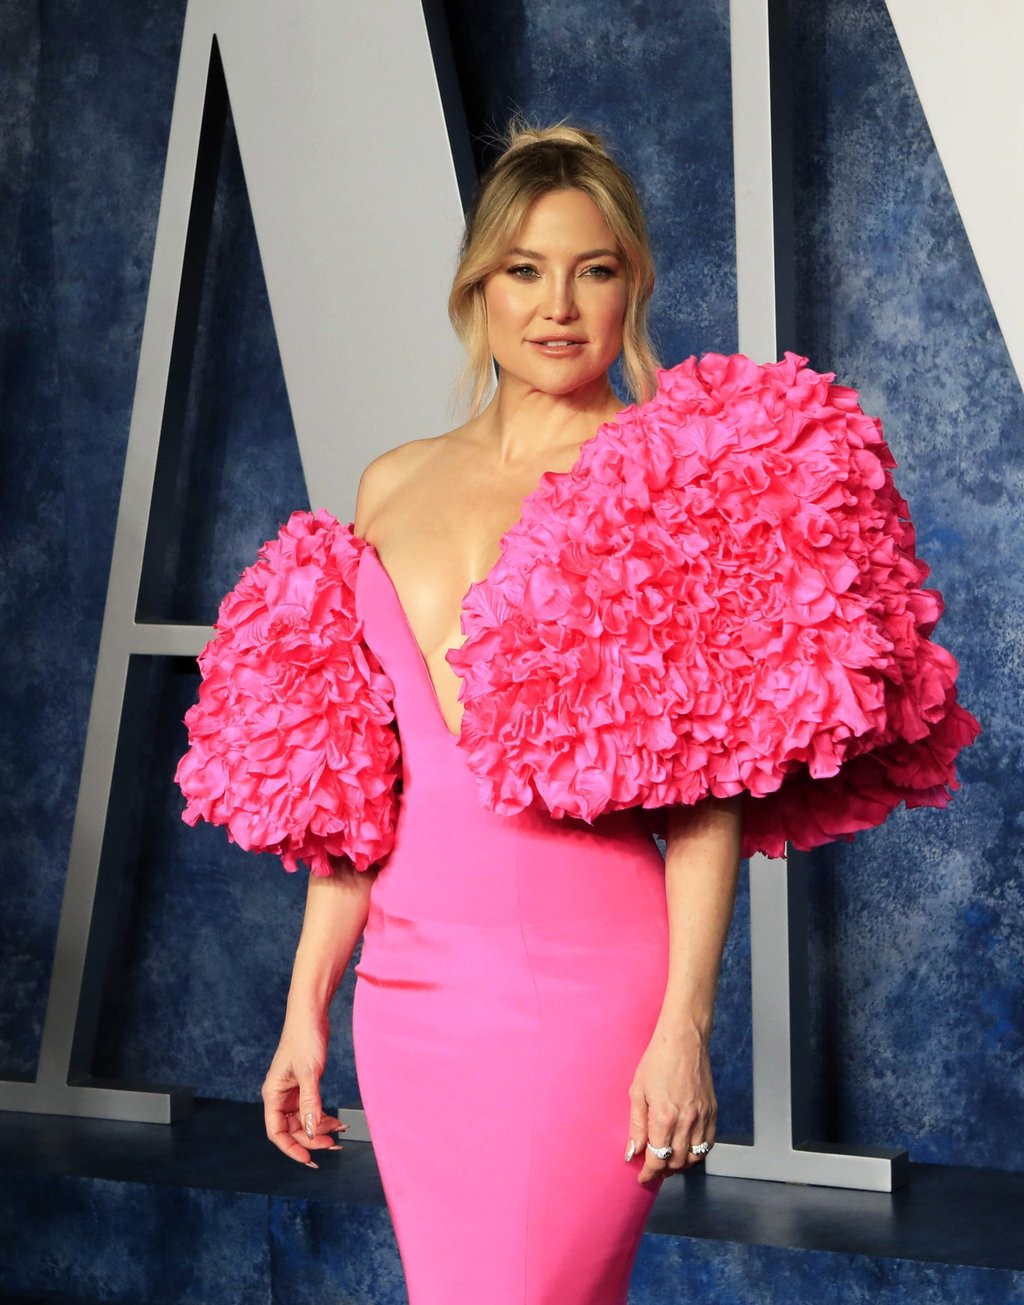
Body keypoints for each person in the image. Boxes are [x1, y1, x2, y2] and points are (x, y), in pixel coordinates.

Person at [175, 123, 979, 1304]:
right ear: (476, 290)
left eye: (592, 270)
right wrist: (305, 1012)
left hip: (588, 997)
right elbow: (352, 791)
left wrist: (683, 1029)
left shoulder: (668, 481)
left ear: (632, 286)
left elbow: (712, 799)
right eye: (524, 270)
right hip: (408, 1013)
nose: (557, 305)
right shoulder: (389, 482)